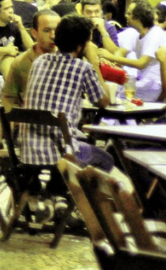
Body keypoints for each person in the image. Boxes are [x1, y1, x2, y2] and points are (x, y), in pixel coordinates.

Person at [21, 15, 114, 172]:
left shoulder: (39, 61)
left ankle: (58, 186)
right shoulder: (82, 68)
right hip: (61, 154)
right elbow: (104, 101)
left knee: (80, 138)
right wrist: (93, 60)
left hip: (28, 150)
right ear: (80, 46)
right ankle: (76, 192)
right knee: (107, 159)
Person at [101, 2, 166, 101]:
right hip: (144, 82)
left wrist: (110, 57)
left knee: (115, 96)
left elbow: (141, 64)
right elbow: (120, 53)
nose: (125, 16)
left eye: (129, 14)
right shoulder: (137, 34)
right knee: (110, 89)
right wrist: (111, 62)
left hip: (155, 85)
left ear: (138, 18)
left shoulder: (156, 34)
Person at [3, 10, 60, 112]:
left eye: (57, 30)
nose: (53, 35)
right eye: (47, 30)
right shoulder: (20, 63)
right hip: (32, 121)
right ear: (34, 33)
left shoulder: (67, 59)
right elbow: (9, 98)